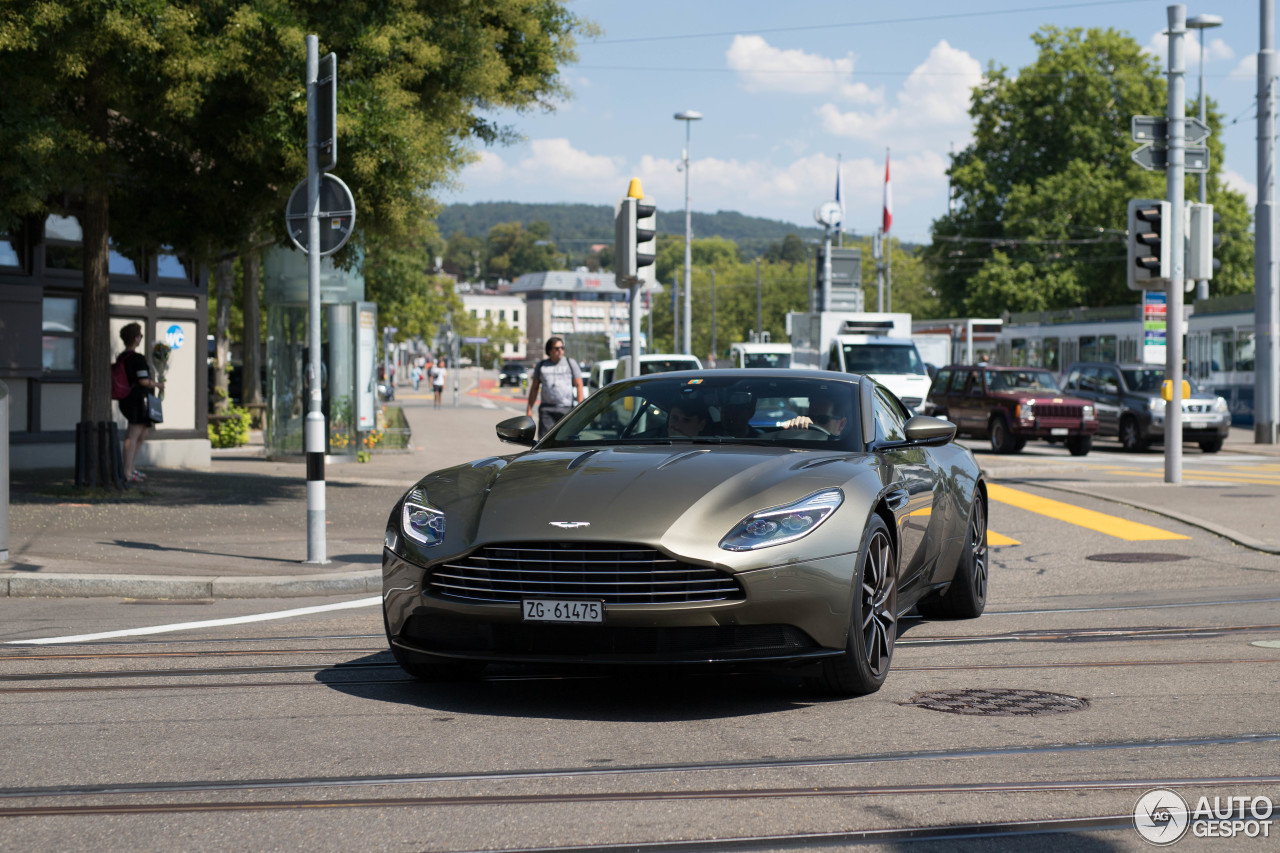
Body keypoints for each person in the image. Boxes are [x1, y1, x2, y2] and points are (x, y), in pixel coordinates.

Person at [116, 322, 162, 484]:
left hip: (129, 400)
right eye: (140, 336)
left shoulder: (122, 357)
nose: (141, 339)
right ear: (136, 338)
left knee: (142, 434)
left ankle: (131, 468)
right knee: (133, 435)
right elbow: (143, 380)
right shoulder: (137, 358)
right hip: (137, 401)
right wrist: (157, 384)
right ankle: (127, 472)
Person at [526, 336, 584, 439]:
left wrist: (580, 408)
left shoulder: (570, 363)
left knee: (567, 440)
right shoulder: (542, 366)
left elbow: (579, 385)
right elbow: (534, 388)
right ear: (549, 351)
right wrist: (529, 408)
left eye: (562, 348)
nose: (560, 350)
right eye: (557, 348)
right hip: (547, 410)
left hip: (566, 409)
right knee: (545, 441)